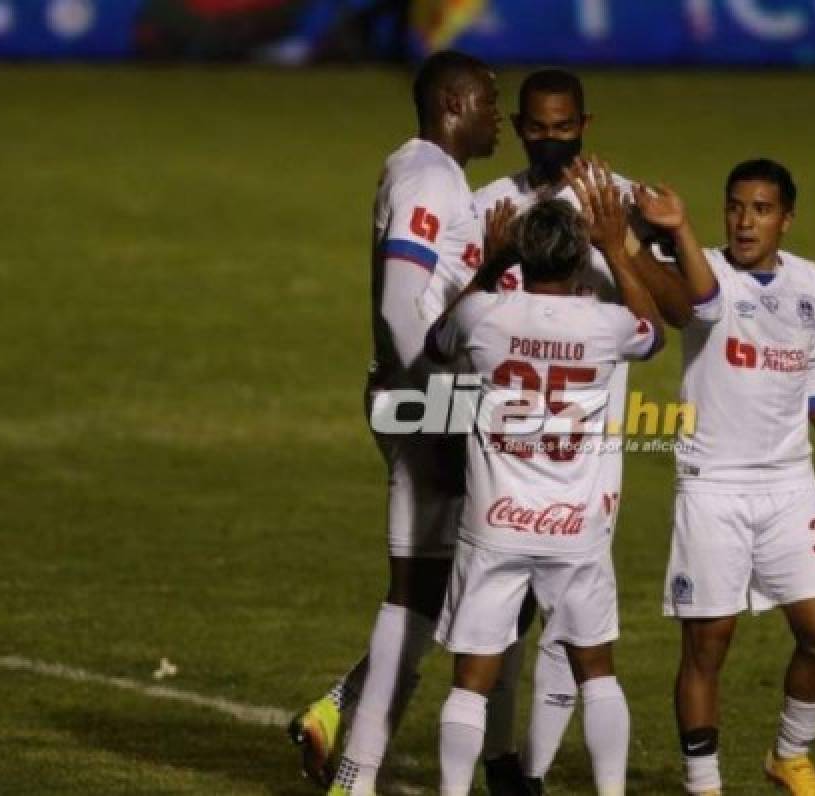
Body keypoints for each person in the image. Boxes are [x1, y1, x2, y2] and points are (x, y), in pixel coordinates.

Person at [285, 49, 506, 796]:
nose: (497, 115)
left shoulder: (436, 176)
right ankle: (354, 770)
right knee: (424, 587)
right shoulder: (425, 178)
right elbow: (397, 305)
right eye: (489, 100)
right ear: (453, 101)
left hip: (431, 399)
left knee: (446, 584)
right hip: (422, 400)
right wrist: (431, 408)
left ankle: (336, 715)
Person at [471, 68, 689, 793]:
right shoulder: (489, 206)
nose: (553, 142)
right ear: (520, 126)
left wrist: (618, 247)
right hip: (504, 450)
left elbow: (679, 311)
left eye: (566, 129)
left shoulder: (620, 202)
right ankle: (502, 760)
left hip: (590, 459)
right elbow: (455, 319)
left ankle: (527, 771)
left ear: (585, 125)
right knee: (499, 625)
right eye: (539, 128)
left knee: (569, 626)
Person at [426, 188, 665, 795]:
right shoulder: (607, 325)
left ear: (520, 255)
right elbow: (653, 332)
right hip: (574, 528)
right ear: (580, 254)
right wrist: (619, 248)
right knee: (596, 672)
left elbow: (435, 343)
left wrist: (488, 263)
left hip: (494, 525)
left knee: (471, 679)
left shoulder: (484, 315)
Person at [633, 159, 815, 795]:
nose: (744, 221)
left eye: (760, 210)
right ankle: (703, 784)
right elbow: (700, 301)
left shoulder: (811, 282)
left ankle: (789, 756)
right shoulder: (704, 270)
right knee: (709, 643)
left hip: (790, 486)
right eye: (735, 207)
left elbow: (812, 369)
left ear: (786, 219)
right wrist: (671, 231)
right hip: (713, 487)